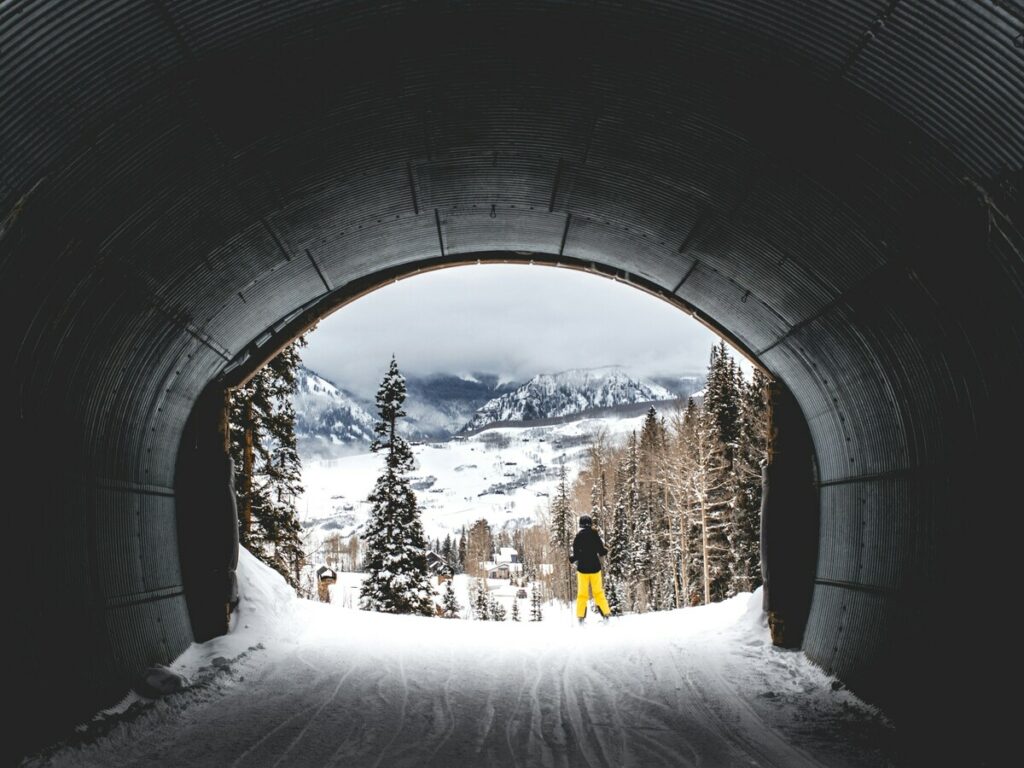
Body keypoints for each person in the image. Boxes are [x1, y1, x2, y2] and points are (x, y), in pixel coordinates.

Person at [569, 515, 611, 624]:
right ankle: (606, 615)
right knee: (598, 593)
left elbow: (576, 555)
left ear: (581, 525)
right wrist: (606, 550)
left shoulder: (578, 537)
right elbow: (601, 551)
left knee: (582, 594)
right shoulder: (595, 535)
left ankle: (581, 618)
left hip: (582, 570)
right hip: (595, 569)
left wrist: (572, 559)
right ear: (590, 523)